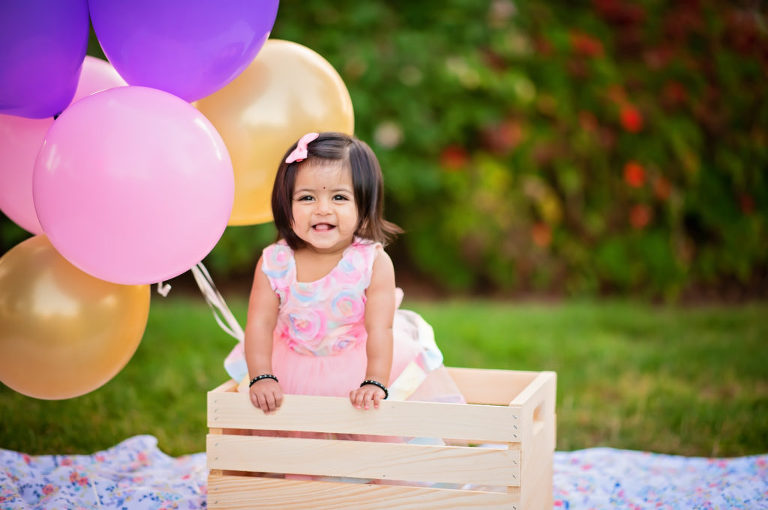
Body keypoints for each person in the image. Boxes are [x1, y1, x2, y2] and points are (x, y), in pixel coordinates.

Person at [223, 132, 463, 413]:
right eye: (306, 197)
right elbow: (260, 324)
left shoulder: (372, 261)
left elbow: (380, 329)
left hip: (357, 362)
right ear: (286, 207)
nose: (322, 209)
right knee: (290, 429)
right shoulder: (274, 262)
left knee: (366, 427)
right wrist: (262, 375)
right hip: (291, 365)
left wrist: (375, 381)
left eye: (339, 197)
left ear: (363, 207)